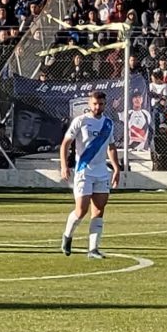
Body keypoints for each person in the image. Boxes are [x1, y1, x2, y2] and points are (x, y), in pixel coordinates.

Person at [60, 90, 122, 259]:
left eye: (101, 104)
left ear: (105, 104)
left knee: (99, 210)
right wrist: (64, 165)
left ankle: (93, 249)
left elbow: (111, 147)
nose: (98, 107)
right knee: (81, 210)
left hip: (102, 172)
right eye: (95, 104)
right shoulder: (80, 121)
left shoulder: (108, 123)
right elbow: (66, 143)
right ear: (89, 104)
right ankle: (67, 235)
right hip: (84, 171)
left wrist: (116, 168)